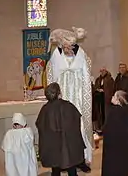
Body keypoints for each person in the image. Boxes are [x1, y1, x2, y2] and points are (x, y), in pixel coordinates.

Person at [46, 43, 92, 172]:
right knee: (60, 132)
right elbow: (50, 75)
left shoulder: (81, 58)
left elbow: (87, 74)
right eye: (65, 47)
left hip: (78, 101)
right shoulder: (56, 59)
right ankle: (60, 161)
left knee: (79, 131)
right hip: (61, 103)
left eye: (70, 47)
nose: (68, 50)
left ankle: (81, 160)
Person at [36, 83, 85, 176]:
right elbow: (76, 120)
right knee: (71, 168)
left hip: (53, 147)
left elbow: (40, 125)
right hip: (68, 145)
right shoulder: (68, 106)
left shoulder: (45, 109)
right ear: (59, 93)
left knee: (55, 168)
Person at [102, 90, 128, 176]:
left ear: (118, 100)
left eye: (114, 96)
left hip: (113, 147)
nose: (112, 97)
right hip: (125, 145)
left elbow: (108, 129)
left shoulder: (113, 112)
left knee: (113, 165)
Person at [93, 67, 114, 131]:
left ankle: (107, 127)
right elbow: (95, 87)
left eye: (103, 71)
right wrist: (97, 89)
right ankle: (100, 127)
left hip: (106, 98)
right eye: (101, 71)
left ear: (106, 71)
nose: (102, 72)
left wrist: (104, 90)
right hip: (99, 98)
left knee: (106, 113)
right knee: (100, 113)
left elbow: (112, 88)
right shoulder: (98, 79)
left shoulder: (109, 79)